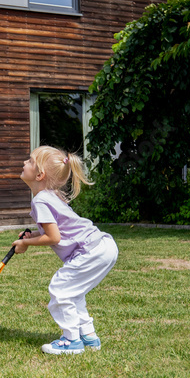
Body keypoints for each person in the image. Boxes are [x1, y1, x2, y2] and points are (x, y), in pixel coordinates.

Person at [12, 146, 118, 355]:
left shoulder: (41, 199)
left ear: (40, 174)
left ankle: (72, 341)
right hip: (103, 246)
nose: (25, 163)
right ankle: (88, 337)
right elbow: (56, 230)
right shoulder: (49, 196)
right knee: (73, 292)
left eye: (30, 161)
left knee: (60, 289)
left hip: (90, 250)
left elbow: (54, 237)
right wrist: (33, 236)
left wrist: (25, 244)